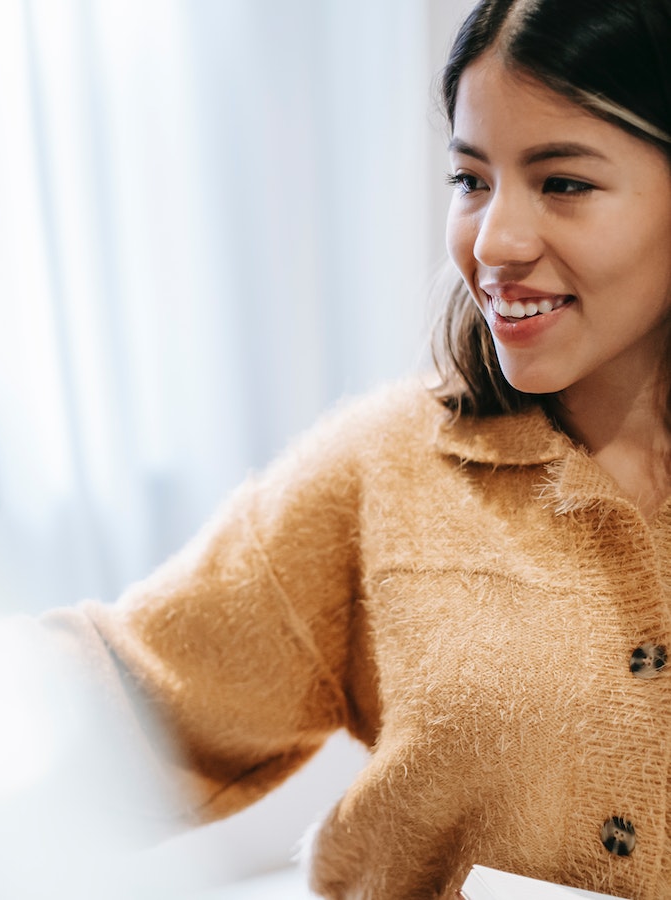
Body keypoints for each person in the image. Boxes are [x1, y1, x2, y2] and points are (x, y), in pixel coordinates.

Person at [41, 1, 671, 896]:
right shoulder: (384, 468)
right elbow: (136, 693)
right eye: (470, 179)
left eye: (562, 183)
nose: (494, 242)